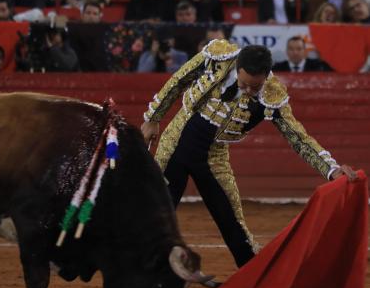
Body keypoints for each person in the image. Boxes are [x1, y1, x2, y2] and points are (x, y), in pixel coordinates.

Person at [140, 39, 355, 269]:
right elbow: (179, 79)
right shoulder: (218, 56)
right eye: (244, 84)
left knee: (234, 225)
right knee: (157, 215)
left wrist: (330, 169)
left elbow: (298, 137)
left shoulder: (272, 95)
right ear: (237, 67)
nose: (249, 91)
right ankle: (139, 277)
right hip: (176, 142)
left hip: (213, 156)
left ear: (266, 75)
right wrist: (153, 118)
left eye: (255, 87)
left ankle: (255, 285)